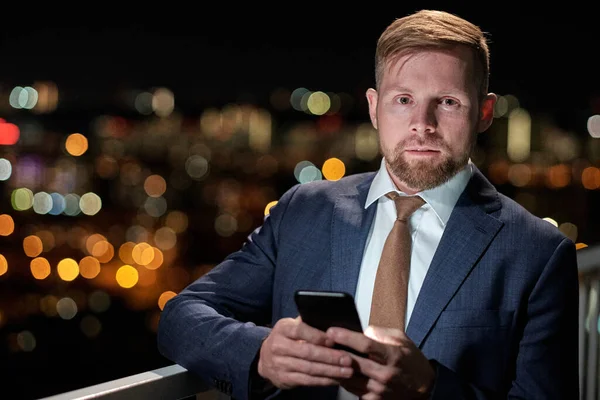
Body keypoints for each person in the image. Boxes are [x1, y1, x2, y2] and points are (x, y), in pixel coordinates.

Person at [157, 9, 579, 400]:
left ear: (485, 113)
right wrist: (260, 352)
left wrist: (430, 389)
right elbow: (181, 316)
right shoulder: (303, 210)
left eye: (448, 102)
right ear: (375, 108)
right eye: (403, 100)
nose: (422, 124)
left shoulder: (537, 253)